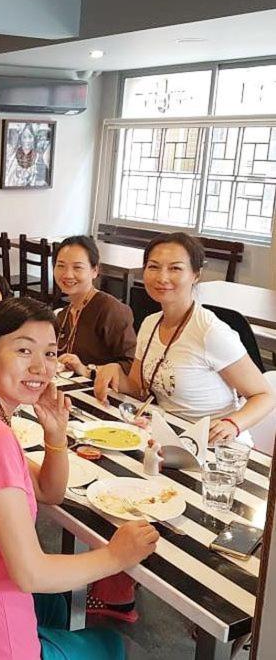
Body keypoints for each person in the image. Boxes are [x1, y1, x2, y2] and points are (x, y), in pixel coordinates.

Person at [0, 297, 158, 659]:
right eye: (23, 350)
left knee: (57, 607)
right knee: (111, 643)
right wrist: (115, 556)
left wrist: (55, 435)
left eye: (49, 353)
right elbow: (30, 574)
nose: (39, 367)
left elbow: (49, 490)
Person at [91, 232, 275, 622]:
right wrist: (108, 371)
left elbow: (264, 394)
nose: (163, 277)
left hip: (216, 456)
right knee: (112, 492)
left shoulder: (211, 331)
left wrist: (232, 422)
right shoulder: (150, 323)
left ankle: (206, 617)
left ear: (196, 275)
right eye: (154, 267)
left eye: (175, 268)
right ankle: (120, 590)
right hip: (170, 445)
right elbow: (138, 386)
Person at [52, 235, 136, 378]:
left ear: (94, 270)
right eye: (61, 266)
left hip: (101, 390)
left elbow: (131, 365)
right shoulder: (64, 314)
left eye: (77, 267)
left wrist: (86, 370)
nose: (67, 274)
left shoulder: (110, 310)